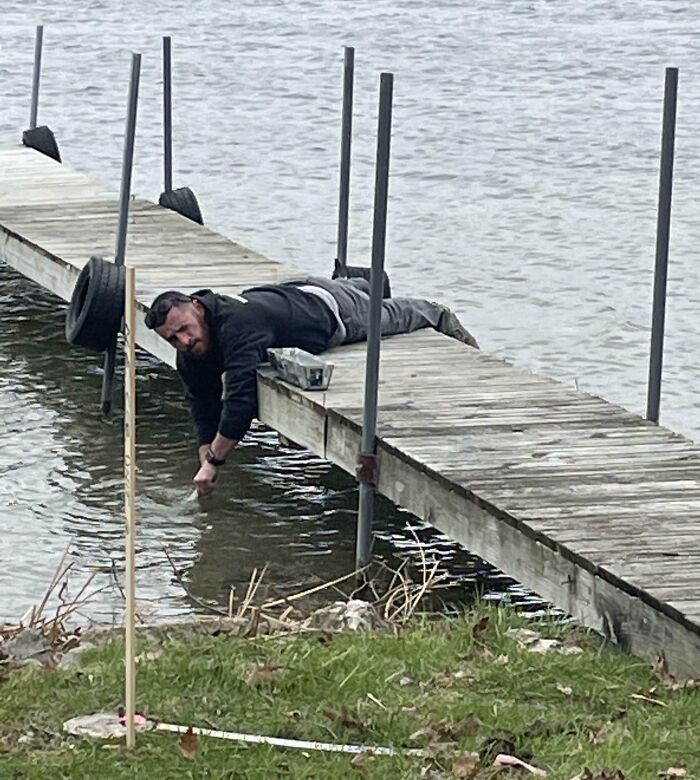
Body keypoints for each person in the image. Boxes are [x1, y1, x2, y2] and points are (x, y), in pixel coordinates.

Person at [145, 275, 478, 496]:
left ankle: (438, 314)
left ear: (198, 308)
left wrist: (215, 462)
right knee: (349, 288)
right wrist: (204, 449)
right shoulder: (191, 349)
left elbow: (240, 399)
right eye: (172, 338)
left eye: (185, 329)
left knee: (393, 316)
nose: (184, 340)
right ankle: (356, 281)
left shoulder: (237, 326)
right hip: (292, 292)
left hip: (333, 314)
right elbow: (202, 401)